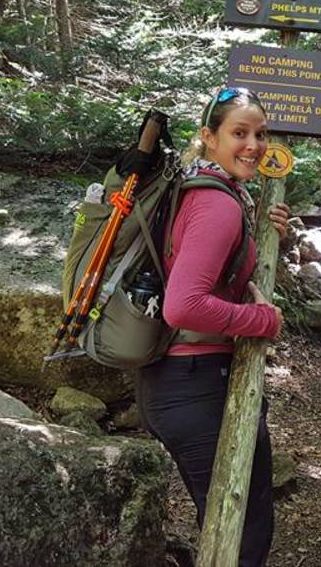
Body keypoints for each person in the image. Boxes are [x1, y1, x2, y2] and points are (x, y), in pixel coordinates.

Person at [135, 86, 290, 567]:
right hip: (196, 385)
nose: (254, 145)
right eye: (239, 133)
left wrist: (265, 231)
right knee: (240, 536)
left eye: (260, 134)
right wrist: (261, 320)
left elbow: (211, 270)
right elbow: (183, 306)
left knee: (227, 527)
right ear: (209, 137)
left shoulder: (205, 188)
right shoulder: (216, 204)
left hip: (176, 379)